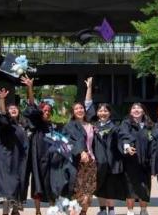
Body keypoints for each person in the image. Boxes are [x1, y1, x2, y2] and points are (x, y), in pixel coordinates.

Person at [22, 76, 58, 213]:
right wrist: (30, 87)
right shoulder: (37, 123)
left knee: (51, 183)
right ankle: (37, 211)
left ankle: (52, 209)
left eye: (49, 111)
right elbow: (32, 106)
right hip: (37, 157)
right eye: (44, 110)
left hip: (51, 158)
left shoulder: (53, 126)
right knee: (37, 183)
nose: (46, 112)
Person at [0, 87, 30, 215]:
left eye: (15, 108)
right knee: (7, 187)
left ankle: (16, 210)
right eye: (10, 108)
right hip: (7, 159)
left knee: (19, 184)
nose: (13, 109)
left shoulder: (23, 125)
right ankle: (5, 212)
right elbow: (2, 115)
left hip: (20, 160)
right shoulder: (5, 124)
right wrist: (2, 100)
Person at [63, 77, 97, 215]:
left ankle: (83, 213)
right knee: (77, 191)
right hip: (77, 162)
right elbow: (70, 142)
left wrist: (89, 88)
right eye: (76, 109)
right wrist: (81, 151)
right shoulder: (69, 126)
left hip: (91, 162)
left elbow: (88, 104)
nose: (79, 110)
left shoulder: (90, 125)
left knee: (89, 192)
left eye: (81, 108)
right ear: (73, 112)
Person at [118, 103, 153, 215]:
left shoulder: (149, 125)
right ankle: (130, 211)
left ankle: (143, 210)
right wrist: (127, 146)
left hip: (145, 161)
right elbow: (124, 135)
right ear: (130, 111)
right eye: (133, 108)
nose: (136, 110)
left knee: (145, 186)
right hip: (131, 160)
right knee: (130, 186)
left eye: (139, 108)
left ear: (143, 111)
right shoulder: (126, 123)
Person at [93, 102, 126, 215]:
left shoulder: (116, 127)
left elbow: (122, 140)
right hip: (98, 162)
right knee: (100, 186)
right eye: (100, 111)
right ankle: (102, 209)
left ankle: (111, 209)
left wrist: (126, 147)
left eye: (105, 111)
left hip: (112, 162)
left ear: (110, 113)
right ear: (97, 113)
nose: (103, 113)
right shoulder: (93, 127)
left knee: (111, 187)